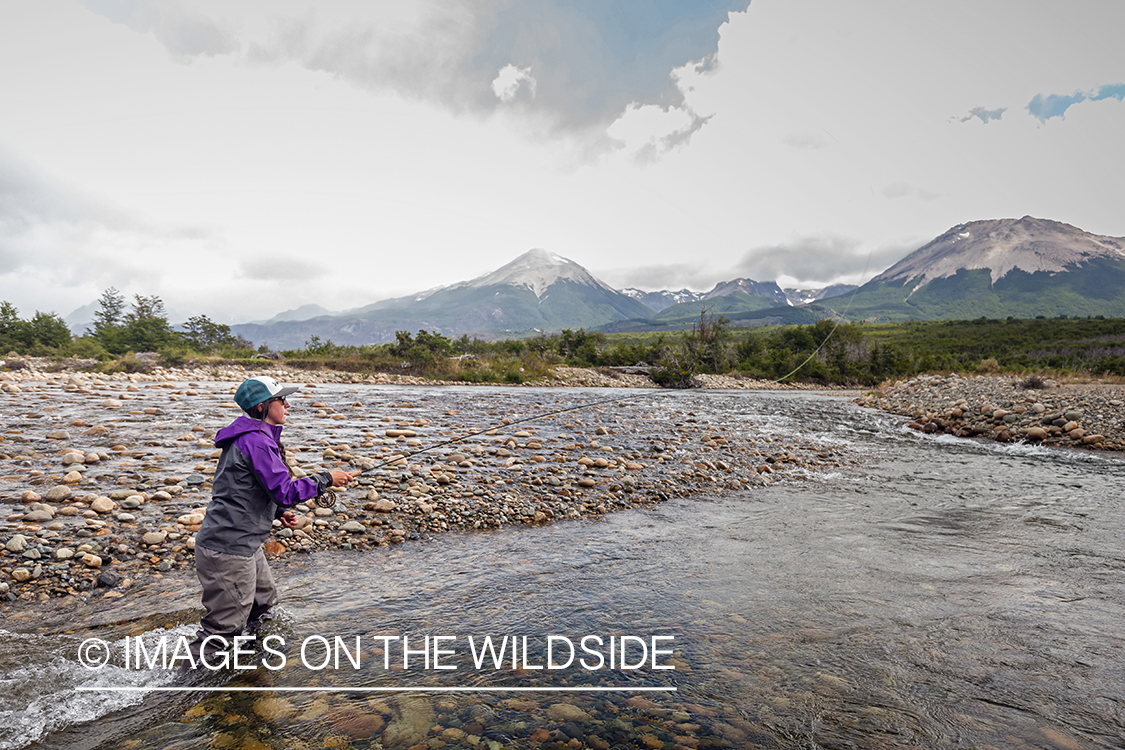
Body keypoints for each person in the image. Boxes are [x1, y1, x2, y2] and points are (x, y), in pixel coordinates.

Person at [188, 375, 352, 666]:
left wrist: (277, 512)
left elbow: (241, 488)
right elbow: (286, 491)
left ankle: (254, 663)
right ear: (263, 406)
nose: (288, 405)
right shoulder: (256, 442)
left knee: (262, 605)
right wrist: (327, 479)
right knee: (222, 631)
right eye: (282, 400)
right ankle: (182, 690)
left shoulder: (254, 439)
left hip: (243, 542)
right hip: (228, 548)